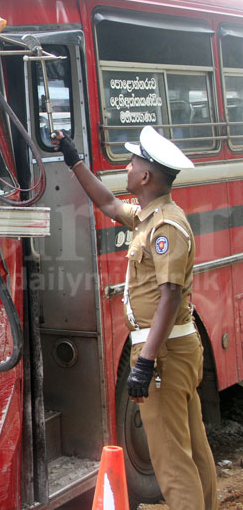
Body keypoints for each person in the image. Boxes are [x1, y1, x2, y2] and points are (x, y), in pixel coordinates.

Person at [54, 126, 217, 510]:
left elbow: (170, 296)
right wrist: (75, 161)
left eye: (132, 163)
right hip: (172, 349)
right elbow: (109, 203)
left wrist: (144, 362)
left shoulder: (165, 228)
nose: (127, 168)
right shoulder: (150, 217)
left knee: (171, 459)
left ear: (145, 177)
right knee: (191, 447)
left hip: (165, 354)